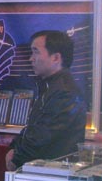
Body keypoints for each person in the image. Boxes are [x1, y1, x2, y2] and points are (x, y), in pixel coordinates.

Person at [5, 30, 86, 171]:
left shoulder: (64, 92)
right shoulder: (50, 86)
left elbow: (42, 137)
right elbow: (32, 128)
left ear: (56, 58)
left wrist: (17, 158)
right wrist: (14, 149)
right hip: (40, 170)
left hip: (52, 174)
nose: (31, 59)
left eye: (36, 52)